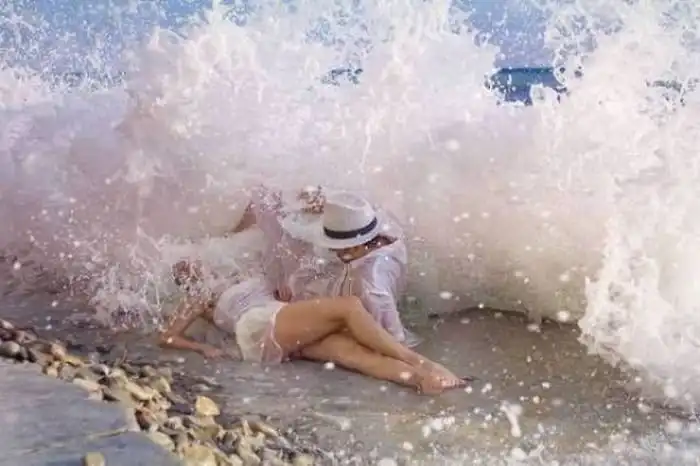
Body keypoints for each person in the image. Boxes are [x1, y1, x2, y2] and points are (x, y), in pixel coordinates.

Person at [158, 264, 467, 395]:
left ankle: (421, 381)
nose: (196, 266)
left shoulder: (237, 276)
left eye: (195, 263)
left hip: (280, 326)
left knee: (352, 354)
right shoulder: (200, 296)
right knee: (349, 307)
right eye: (186, 269)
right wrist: (202, 348)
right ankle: (419, 361)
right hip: (261, 325)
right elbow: (168, 337)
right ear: (187, 280)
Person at [242, 184, 421, 347]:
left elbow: (390, 339)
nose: (335, 251)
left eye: (338, 248)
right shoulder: (377, 226)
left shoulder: (371, 288)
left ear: (355, 246)